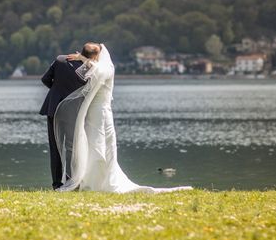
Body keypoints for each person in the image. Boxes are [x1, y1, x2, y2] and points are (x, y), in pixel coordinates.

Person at [53, 43, 192, 193]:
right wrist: (85, 59)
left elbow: (93, 72)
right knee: (95, 144)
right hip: (96, 112)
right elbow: (89, 72)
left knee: (101, 144)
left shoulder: (105, 69)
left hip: (100, 113)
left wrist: (81, 58)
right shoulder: (97, 67)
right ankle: (92, 179)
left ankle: (99, 181)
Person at [39, 43, 100, 189]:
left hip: (53, 107)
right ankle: (71, 182)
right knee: (71, 147)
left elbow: (45, 79)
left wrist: (56, 91)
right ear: (95, 56)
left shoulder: (61, 60)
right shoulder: (91, 70)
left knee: (55, 147)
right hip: (73, 111)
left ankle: (56, 184)